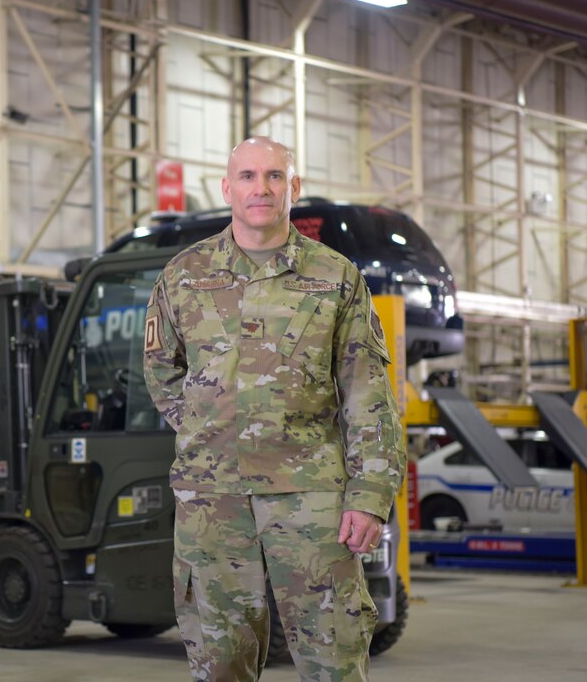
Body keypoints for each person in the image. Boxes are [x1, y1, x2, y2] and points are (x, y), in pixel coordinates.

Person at [143, 137, 405, 681]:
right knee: (219, 660)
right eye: (247, 176)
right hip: (212, 501)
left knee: (332, 655)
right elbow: (162, 373)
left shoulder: (336, 279)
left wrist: (371, 496)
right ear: (226, 188)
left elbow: (368, 394)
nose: (260, 188)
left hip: (312, 496)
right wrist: (209, 434)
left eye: (273, 176)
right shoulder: (183, 276)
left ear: (294, 188)